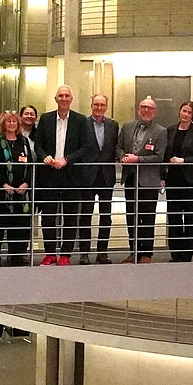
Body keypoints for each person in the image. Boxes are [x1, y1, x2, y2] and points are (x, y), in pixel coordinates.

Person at [33, 86, 99, 266]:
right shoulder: (46, 119)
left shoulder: (80, 120)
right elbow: (38, 145)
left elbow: (86, 147)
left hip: (71, 174)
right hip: (49, 173)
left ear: (71, 99)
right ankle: (50, 253)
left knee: (70, 216)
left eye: (66, 95)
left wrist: (67, 160)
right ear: (56, 99)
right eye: (60, 95)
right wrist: (44, 156)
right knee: (48, 216)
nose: (63, 98)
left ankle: (65, 254)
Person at [117, 98, 167, 263]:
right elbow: (118, 146)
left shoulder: (161, 131)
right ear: (139, 109)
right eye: (143, 107)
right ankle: (134, 251)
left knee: (147, 217)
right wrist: (123, 156)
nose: (146, 110)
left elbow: (159, 157)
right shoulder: (127, 126)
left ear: (155, 112)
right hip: (130, 178)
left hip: (149, 181)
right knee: (131, 216)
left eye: (150, 108)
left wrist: (137, 159)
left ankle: (146, 253)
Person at [0, 111, 35, 265]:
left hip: (21, 191)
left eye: (14, 122)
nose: (12, 124)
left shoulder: (24, 142)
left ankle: (17, 254)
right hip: (3, 191)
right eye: (9, 122)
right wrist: (4, 184)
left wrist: (26, 183)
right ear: (4, 124)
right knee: (1, 222)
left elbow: (30, 166)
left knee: (20, 223)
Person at [77, 94, 119, 265]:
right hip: (87, 175)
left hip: (106, 176)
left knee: (106, 216)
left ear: (106, 106)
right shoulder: (82, 124)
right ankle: (84, 253)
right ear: (91, 105)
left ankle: (102, 252)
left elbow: (115, 147)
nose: (99, 107)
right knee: (86, 215)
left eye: (102, 105)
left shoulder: (113, 125)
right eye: (96, 104)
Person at [162, 101, 193, 263]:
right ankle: (175, 254)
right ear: (179, 112)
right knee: (173, 217)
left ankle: (187, 255)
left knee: (189, 218)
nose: (186, 114)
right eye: (183, 111)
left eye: (189, 112)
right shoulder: (170, 130)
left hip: (191, 181)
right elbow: (165, 154)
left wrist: (183, 160)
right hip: (173, 180)